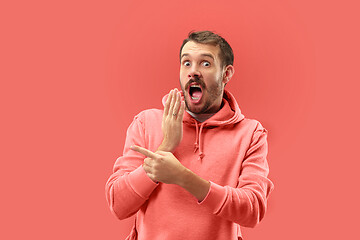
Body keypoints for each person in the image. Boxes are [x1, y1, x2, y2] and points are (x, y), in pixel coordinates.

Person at [105, 30, 274, 240]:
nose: (193, 71)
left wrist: (183, 177)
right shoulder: (146, 123)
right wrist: (166, 146)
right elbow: (118, 205)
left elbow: (252, 210)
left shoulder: (250, 133)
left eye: (205, 63)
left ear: (227, 73)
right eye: (187, 63)